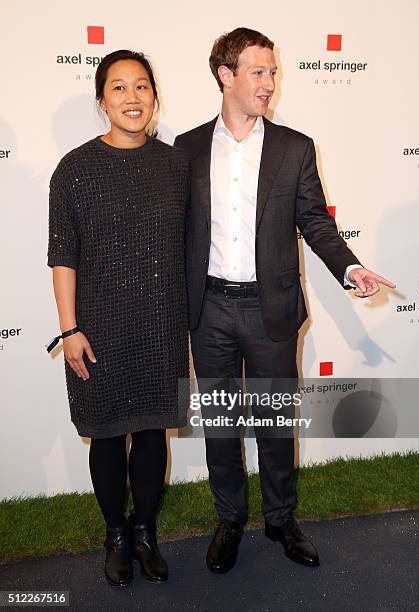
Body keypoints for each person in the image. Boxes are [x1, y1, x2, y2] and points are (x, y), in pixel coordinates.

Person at [174, 27, 396, 573]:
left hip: (269, 309)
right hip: (208, 310)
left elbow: (315, 222)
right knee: (222, 425)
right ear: (226, 76)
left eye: (272, 71)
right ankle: (229, 520)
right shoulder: (187, 148)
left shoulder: (295, 147)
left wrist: (349, 267)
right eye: (258, 71)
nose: (270, 82)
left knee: (274, 423)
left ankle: (280, 519)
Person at [48, 49, 189, 587]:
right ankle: (115, 536)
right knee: (107, 437)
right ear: (102, 99)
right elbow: (63, 254)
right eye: (119, 88)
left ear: (154, 96)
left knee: (153, 436)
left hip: (160, 326)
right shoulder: (75, 170)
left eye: (142, 87)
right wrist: (69, 329)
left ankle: (146, 532)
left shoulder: (175, 165)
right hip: (98, 329)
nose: (133, 98)